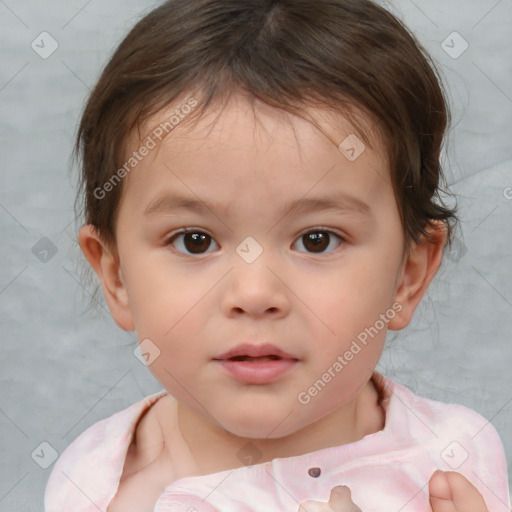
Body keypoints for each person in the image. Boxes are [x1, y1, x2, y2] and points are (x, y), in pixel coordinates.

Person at [44, 0, 510, 511]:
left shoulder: (452, 464)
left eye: (317, 240)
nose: (255, 294)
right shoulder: (93, 483)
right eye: (194, 240)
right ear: (116, 276)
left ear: (407, 277)